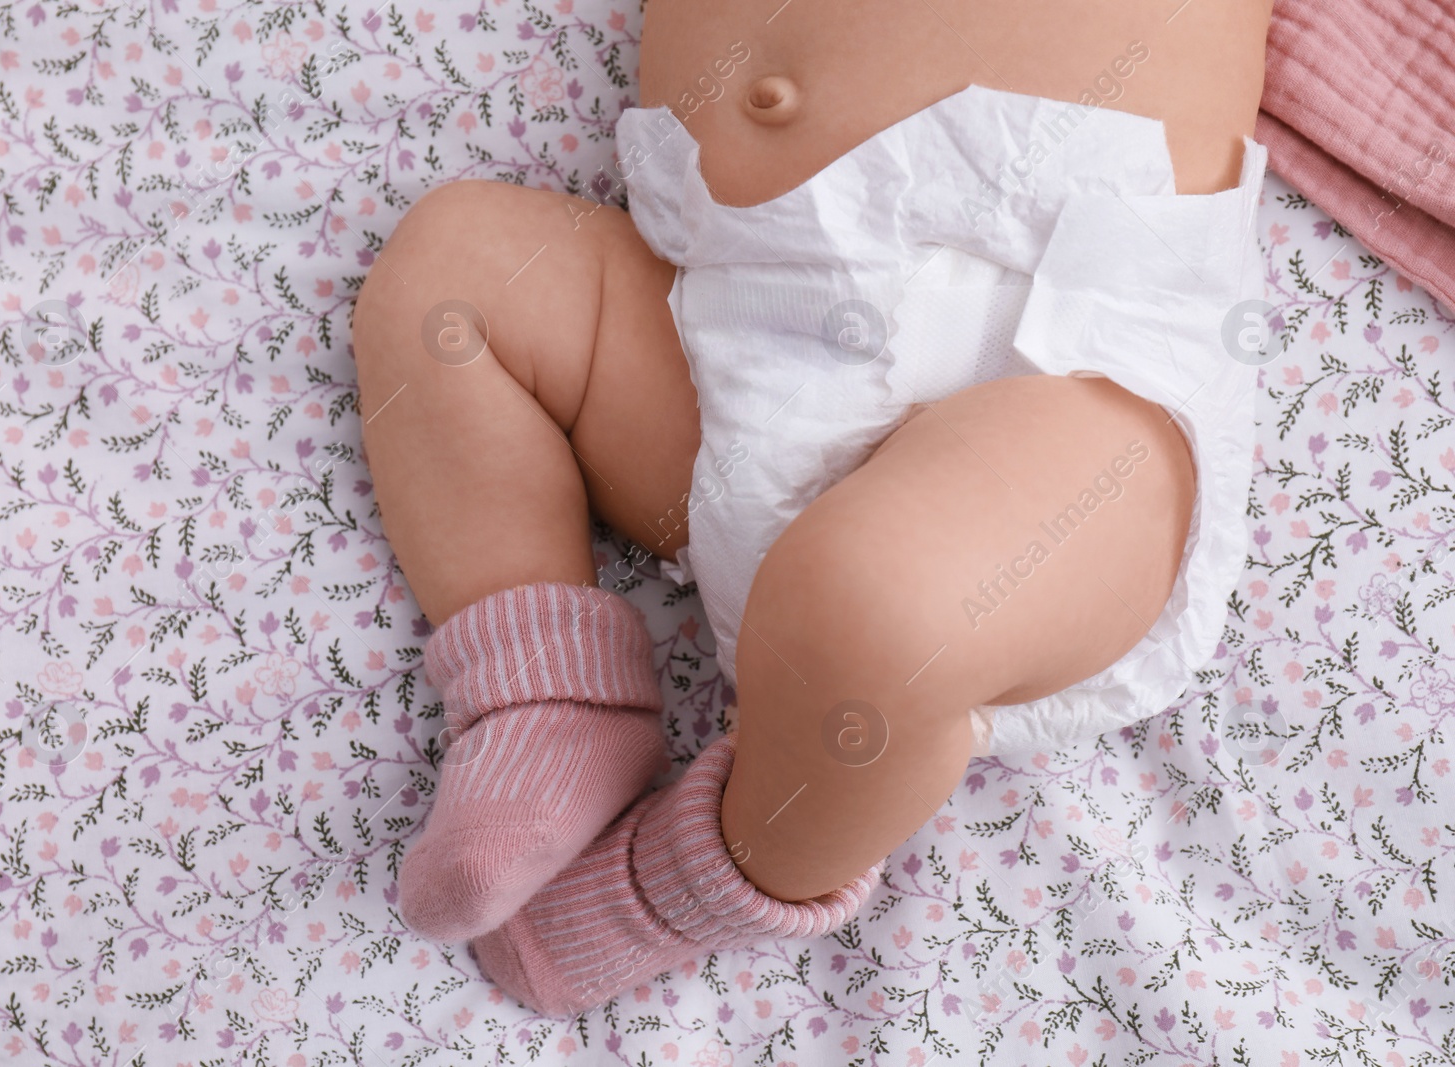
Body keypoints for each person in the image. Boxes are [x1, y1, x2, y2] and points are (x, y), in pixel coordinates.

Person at [350, 0, 1276, 1014]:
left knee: (873, 610)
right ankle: (548, 700)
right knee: (457, 277)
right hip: (749, 312)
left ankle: (705, 875)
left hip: (1066, 372)